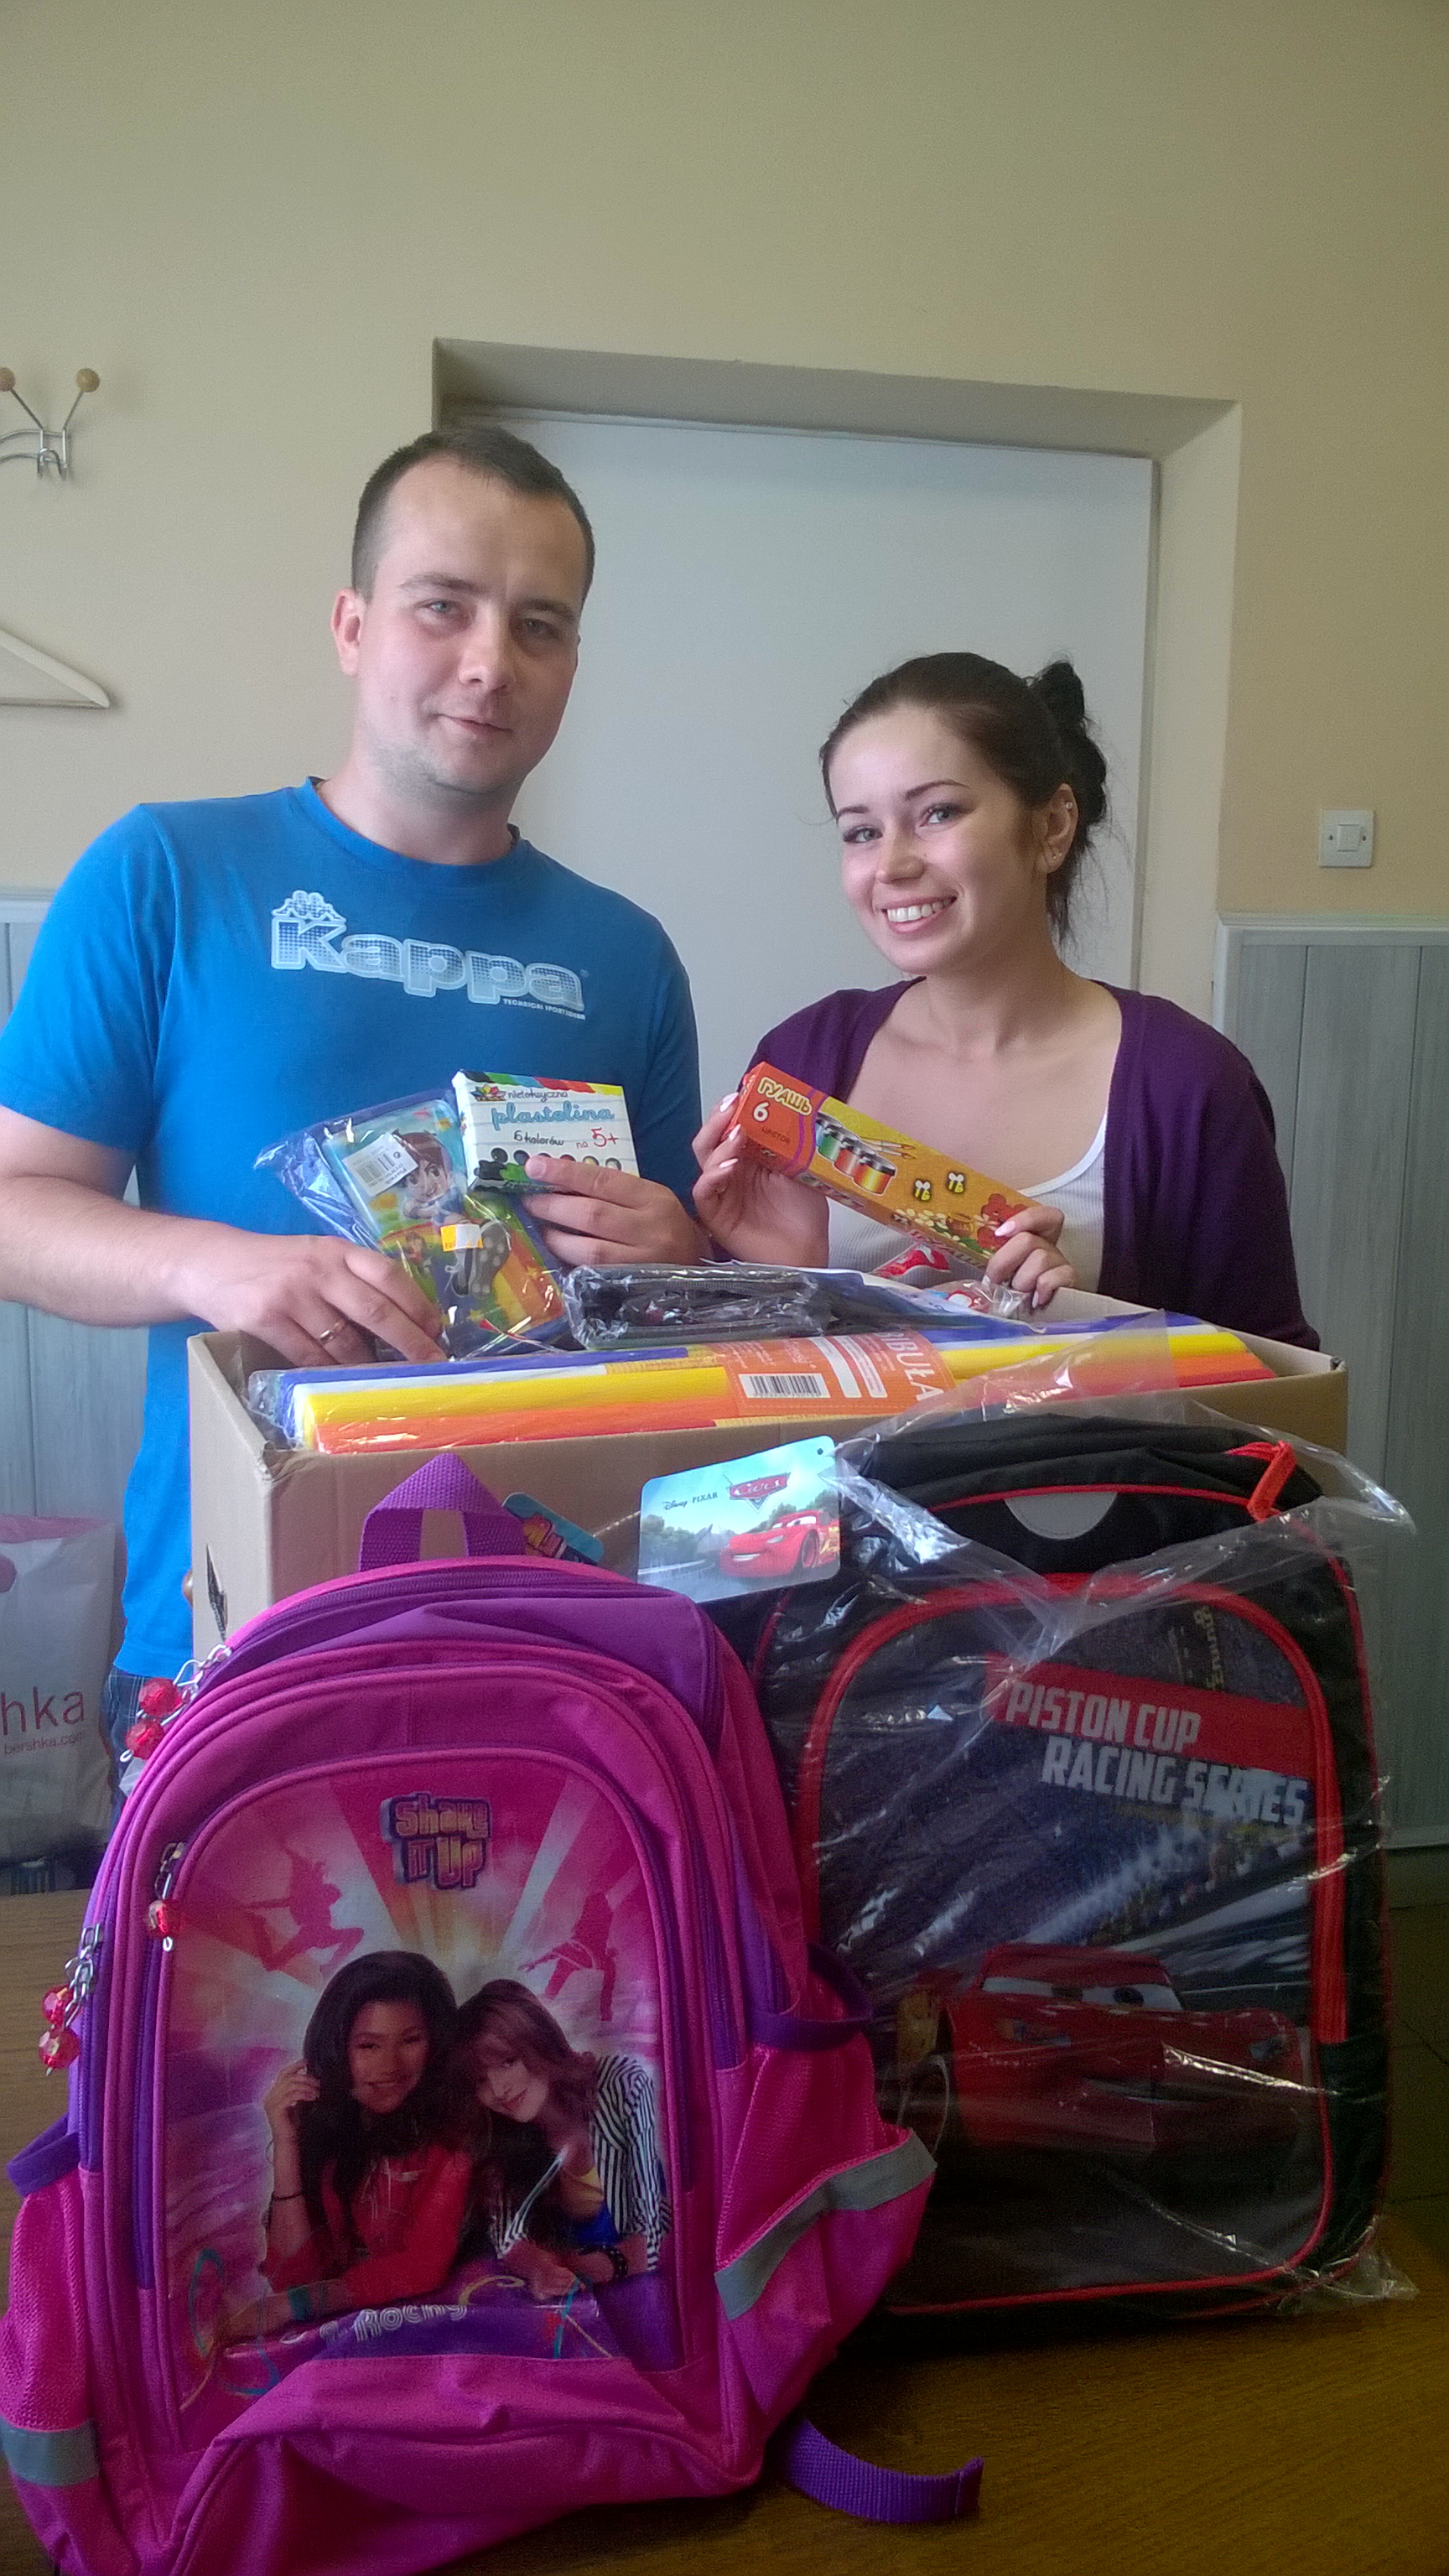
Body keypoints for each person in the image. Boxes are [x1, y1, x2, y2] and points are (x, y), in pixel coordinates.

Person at [0, 422, 706, 1711]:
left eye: (539, 626)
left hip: (554, 1650)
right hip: (231, 1641)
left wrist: (682, 1257)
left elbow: (673, 1305)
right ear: (352, 625)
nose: (490, 662)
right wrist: (214, 1265)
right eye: (443, 605)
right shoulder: (165, 875)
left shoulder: (631, 956)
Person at [693, 651, 1316, 1345]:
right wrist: (784, 1278)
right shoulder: (800, 1059)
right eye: (862, 831)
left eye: (938, 813)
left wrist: (1086, 1327)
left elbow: (1276, 1383)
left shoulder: (1188, 1086)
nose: (892, 865)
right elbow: (722, 1378)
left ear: (1051, 826)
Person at [224, 1950, 471, 2340]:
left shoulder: (454, 2131)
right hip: (347, 2332)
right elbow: (293, 2276)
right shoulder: (323, 2125)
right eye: (369, 2046)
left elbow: (423, 2266)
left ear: (435, 2044)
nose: (391, 2065)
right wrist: (286, 2143)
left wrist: (297, 2305)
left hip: (436, 2329)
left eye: (411, 2040)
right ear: (337, 2048)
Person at [454, 1979, 668, 2303]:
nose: (498, 2089)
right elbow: (509, 2238)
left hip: (657, 2297)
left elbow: (665, 2226)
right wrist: (541, 2269)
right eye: (481, 2080)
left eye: (508, 2061)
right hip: (578, 2308)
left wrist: (600, 2264)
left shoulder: (622, 2084)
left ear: (538, 2040)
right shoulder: (501, 2141)